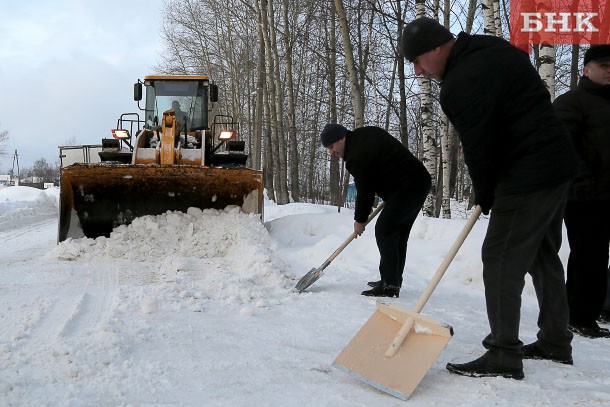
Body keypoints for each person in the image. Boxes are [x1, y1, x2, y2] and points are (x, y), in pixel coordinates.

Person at [401, 17, 578, 380]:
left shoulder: (459, 83)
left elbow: (479, 148)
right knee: (542, 253)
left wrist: (485, 192)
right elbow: (534, 99)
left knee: (499, 257)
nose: (418, 70)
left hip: (527, 173)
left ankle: (503, 353)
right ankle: (555, 341)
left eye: (417, 60)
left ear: (436, 47)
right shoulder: (493, 47)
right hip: (557, 163)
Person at [320, 123, 431, 298]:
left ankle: (390, 285)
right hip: (414, 183)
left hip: (409, 187)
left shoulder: (356, 155)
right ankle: (392, 279)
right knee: (397, 234)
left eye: (332, 146)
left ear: (342, 138)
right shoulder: (364, 135)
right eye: (328, 149)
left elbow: (365, 191)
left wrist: (359, 220)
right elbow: (383, 166)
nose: (331, 152)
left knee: (385, 230)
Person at [552, 44, 610, 338]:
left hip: (605, 194)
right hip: (583, 196)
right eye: (604, 66)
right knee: (590, 255)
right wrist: (583, 182)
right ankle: (579, 315)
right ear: (587, 69)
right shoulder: (572, 102)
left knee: (595, 256)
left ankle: (593, 308)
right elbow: (561, 147)